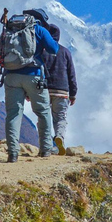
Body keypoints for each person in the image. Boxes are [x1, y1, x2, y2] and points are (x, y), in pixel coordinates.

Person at [2, 8, 58, 162]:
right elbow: (53, 49)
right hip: (34, 76)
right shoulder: (39, 29)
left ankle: (13, 153)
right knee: (43, 111)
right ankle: (45, 149)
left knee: (13, 113)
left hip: (11, 75)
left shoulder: (10, 28)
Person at [42, 24, 77, 156]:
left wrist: (29, 92)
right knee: (60, 118)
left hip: (44, 90)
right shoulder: (65, 52)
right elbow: (71, 74)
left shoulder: (41, 51)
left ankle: (45, 145)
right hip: (62, 91)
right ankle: (59, 137)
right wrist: (73, 94)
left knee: (44, 117)